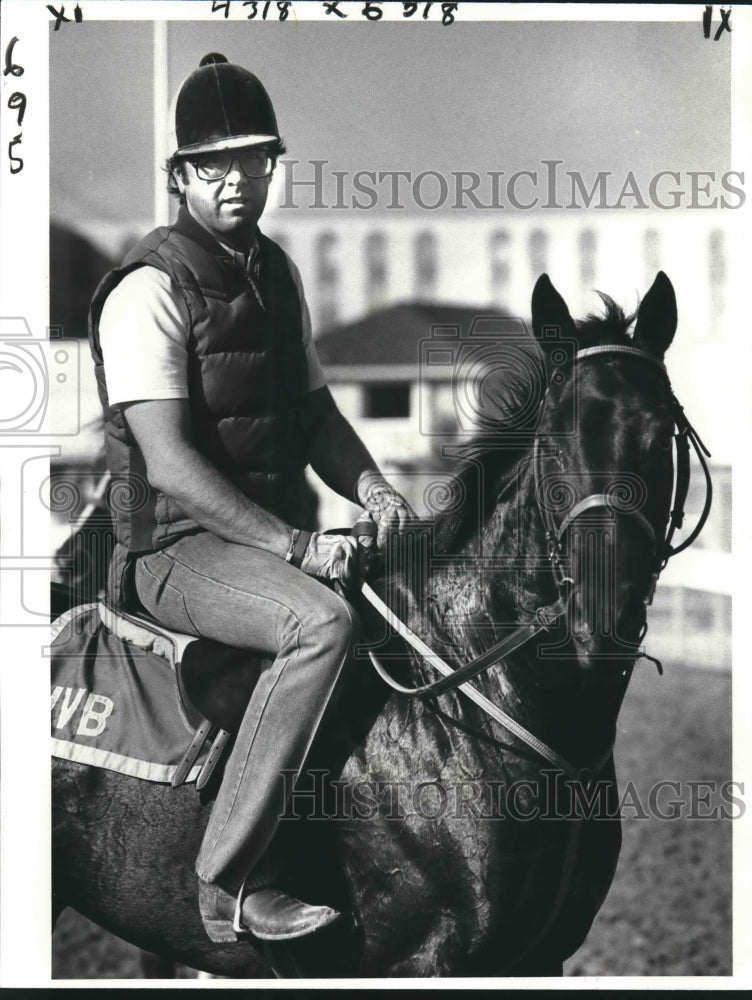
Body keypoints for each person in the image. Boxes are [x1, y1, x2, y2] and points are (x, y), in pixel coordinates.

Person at [88, 53, 415, 944]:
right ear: (181, 176)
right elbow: (171, 466)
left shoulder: (274, 271)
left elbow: (313, 415)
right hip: (173, 550)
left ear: (273, 164)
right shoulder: (148, 290)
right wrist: (299, 548)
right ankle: (227, 882)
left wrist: (375, 487)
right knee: (322, 625)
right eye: (213, 163)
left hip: (263, 545)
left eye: (253, 159)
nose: (235, 179)